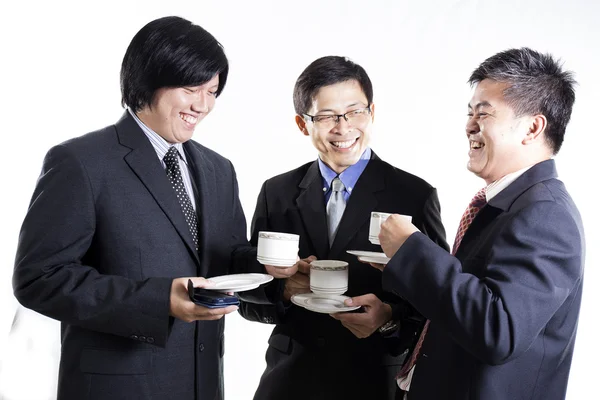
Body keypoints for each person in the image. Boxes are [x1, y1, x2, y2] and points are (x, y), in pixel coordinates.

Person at [12, 16, 252, 400]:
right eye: (191, 88)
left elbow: (228, 262)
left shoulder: (219, 170)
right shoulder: (80, 162)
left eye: (212, 91)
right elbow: (39, 279)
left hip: (201, 387)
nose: (202, 105)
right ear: (148, 78)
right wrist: (158, 301)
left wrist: (279, 274)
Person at [374, 47, 585, 400]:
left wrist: (412, 251)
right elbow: (462, 313)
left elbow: (498, 330)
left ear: (533, 127)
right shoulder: (506, 203)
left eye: (484, 113)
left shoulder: (546, 213)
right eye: (470, 112)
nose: (469, 125)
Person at [238, 56, 448, 400]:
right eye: (326, 116)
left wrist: (389, 319)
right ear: (302, 124)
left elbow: (440, 303)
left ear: (372, 113)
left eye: (355, 112)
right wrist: (285, 290)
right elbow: (249, 296)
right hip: (288, 383)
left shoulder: (414, 195)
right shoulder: (276, 192)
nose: (343, 127)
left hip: (373, 383)